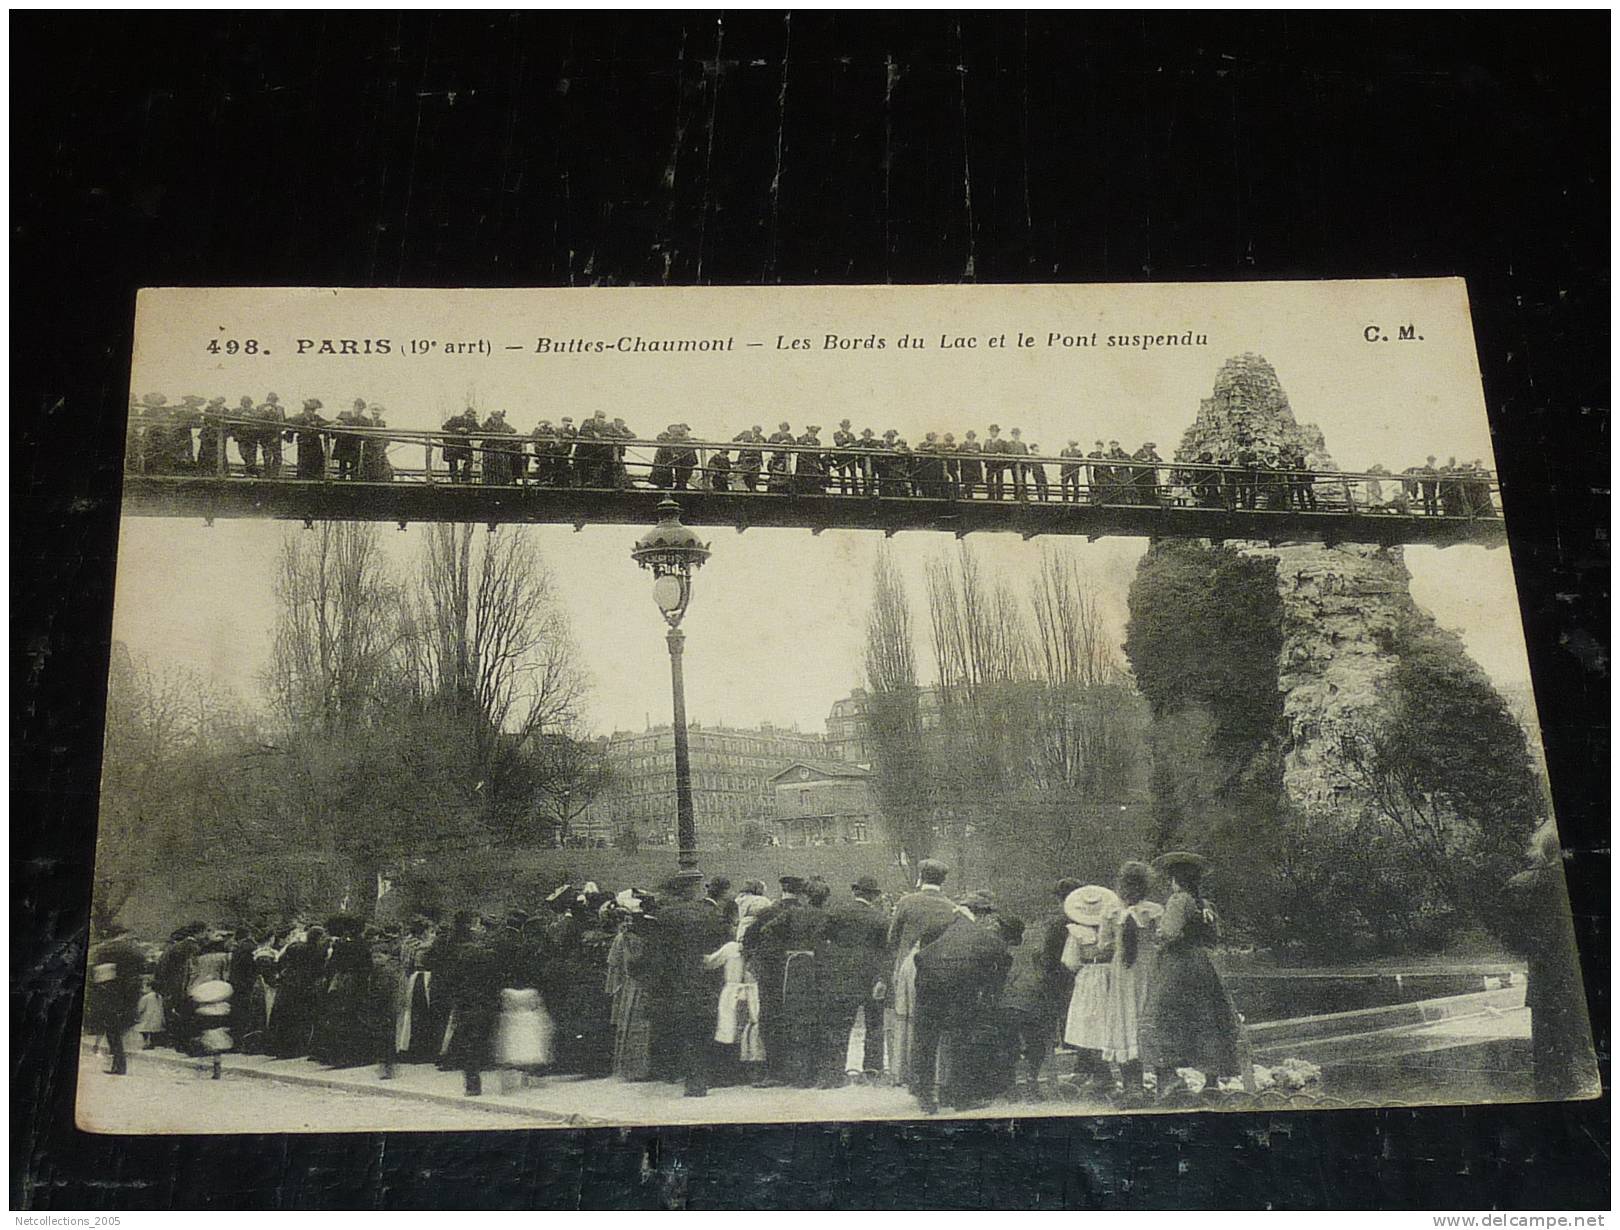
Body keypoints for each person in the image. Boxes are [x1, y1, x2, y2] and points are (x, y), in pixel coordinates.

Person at [1139, 851, 1251, 1098]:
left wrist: (1155, 930)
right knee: (1207, 1017)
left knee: (1164, 1016)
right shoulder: (1205, 905)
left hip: (1179, 965)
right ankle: (1211, 1080)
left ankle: (1168, 1078)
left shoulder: (1179, 900)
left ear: (1176, 879)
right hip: (1203, 964)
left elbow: (1168, 933)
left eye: (1171, 878)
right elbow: (1214, 936)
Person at [1504, 821, 1600, 1100]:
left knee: (1552, 1068)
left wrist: (1535, 950)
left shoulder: (1523, 884)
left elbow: (1510, 934)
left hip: (1548, 982)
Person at [910, 891, 1013, 1113]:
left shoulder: (941, 923)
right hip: (958, 986)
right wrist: (991, 989)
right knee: (961, 1039)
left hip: (927, 981)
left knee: (926, 1040)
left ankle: (925, 1096)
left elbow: (921, 951)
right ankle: (960, 1098)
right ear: (981, 913)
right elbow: (1003, 956)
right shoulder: (979, 932)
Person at [638, 870, 727, 1096]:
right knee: (701, 1029)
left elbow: (655, 954)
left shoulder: (664, 916)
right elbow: (721, 945)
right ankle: (702, 1077)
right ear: (692, 889)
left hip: (674, 982)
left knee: (681, 1029)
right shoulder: (709, 914)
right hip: (705, 978)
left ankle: (684, 1076)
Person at [742, 875, 826, 1087]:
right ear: (800, 892)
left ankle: (775, 1071)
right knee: (801, 1019)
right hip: (801, 974)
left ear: (783, 890)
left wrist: (757, 960)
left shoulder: (767, 912)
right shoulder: (808, 912)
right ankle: (801, 1070)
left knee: (770, 1019)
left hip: (771, 976)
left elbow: (748, 939)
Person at [884, 858, 959, 1087]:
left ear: (921, 877)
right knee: (935, 1020)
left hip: (911, 966)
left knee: (907, 1018)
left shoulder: (907, 901)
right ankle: (938, 1074)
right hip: (941, 968)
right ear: (942, 880)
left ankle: (905, 1072)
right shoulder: (950, 906)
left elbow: (892, 938)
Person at [815, 874, 890, 1086]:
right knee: (874, 1025)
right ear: (873, 896)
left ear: (855, 892)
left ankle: (835, 1073)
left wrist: (831, 961)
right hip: (872, 979)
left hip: (842, 977)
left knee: (839, 1025)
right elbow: (887, 952)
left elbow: (819, 939)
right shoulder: (880, 918)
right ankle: (872, 1070)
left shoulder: (837, 913)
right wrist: (882, 978)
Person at [1100, 861, 1163, 1104]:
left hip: (1123, 973)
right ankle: (1164, 1080)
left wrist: (1118, 945)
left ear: (1120, 886)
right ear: (1145, 886)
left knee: (1124, 1020)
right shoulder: (1154, 911)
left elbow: (1102, 945)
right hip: (1148, 971)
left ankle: (1132, 1085)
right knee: (1149, 1016)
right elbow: (1162, 942)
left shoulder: (1110, 912)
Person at [1060, 884, 1121, 1088]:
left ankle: (1102, 1075)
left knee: (1089, 1025)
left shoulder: (1076, 932)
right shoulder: (1113, 928)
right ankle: (1107, 1074)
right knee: (1109, 1023)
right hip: (1112, 975)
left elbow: (1070, 961)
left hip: (1089, 976)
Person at [86, 922, 148, 1075]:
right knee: (120, 1028)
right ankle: (119, 1064)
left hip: (109, 994)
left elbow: (95, 973)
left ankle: (118, 1064)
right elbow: (142, 967)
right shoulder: (133, 949)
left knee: (112, 1030)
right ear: (121, 934)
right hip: (129, 994)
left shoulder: (104, 949)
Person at [606, 893, 655, 1081]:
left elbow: (615, 965)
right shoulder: (625, 939)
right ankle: (635, 1069)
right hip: (635, 984)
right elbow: (615, 966)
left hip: (634, 985)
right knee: (637, 1027)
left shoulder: (629, 938)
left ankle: (636, 1069)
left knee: (636, 1027)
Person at [288, 399, 329, 480]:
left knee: (317, 461)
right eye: (311, 410)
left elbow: (326, 423)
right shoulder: (299, 417)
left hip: (315, 443)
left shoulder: (316, 418)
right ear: (306, 409)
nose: (312, 412)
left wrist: (317, 424)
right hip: (304, 443)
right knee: (304, 463)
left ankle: (317, 478)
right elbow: (290, 423)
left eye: (314, 410)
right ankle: (302, 478)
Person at [257, 393, 286, 478]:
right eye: (271, 399)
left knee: (277, 456)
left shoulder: (280, 409)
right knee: (267, 455)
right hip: (265, 435)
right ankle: (268, 473)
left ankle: (275, 474)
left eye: (274, 400)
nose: (272, 401)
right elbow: (257, 419)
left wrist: (282, 433)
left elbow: (283, 422)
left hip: (277, 434)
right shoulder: (261, 407)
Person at [361, 406, 394, 481]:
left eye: (377, 412)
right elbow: (363, 434)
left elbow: (387, 437)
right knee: (367, 464)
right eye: (374, 412)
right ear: (372, 413)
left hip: (379, 448)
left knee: (381, 463)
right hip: (368, 448)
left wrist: (383, 445)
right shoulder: (367, 422)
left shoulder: (382, 423)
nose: (375, 414)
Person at [733, 426, 765, 492]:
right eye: (755, 432)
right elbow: (735, 439)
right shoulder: (745, 434)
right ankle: (743, 489)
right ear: (752, 430)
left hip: (755, 460)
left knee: (754, 475)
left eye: (758, 432)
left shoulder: (761, 438)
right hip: (745, 458)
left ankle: (753, 489)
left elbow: (766, 445)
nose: (756, 433)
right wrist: (742, 444)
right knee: (743, 474)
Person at [766, 422, 796, 494]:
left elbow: (794, 443)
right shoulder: (775, 435)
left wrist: (787, 442)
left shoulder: (789, 436)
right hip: (776, 457)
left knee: (786, 472)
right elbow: (769, 442)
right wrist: (780, 443)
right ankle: (774, 483)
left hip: (785, 458)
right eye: (782, 427)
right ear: (780, 427)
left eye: (785, 427)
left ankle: (785, 483)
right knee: (774, 471)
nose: (784, 428)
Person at [832, 419, 859, 494]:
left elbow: (855, 444)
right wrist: (848, 443)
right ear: (842, 426)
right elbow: (838, 442)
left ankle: (855, 490)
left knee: (853, 473)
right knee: (842, 473)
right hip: (841, 457)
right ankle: (843, 490)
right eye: (844, 426)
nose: (846, 428)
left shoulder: (851, 435)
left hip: (850, 457)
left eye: (847, 426)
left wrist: (849, 444)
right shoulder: (836, 434)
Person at [956, 430, 984, 500]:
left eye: (972, 437)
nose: (971, 438)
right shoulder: (963, 444)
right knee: (967, 481)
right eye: (969, 437)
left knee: (974, 481)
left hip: (975, 466)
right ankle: (968, 495)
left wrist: (976, 452)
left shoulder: (977, 444)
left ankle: (964, 493)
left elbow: (980, 452)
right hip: (966, 466)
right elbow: (959, 452)